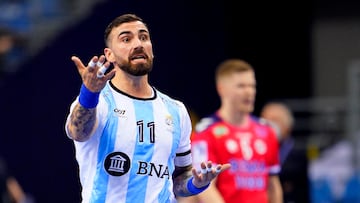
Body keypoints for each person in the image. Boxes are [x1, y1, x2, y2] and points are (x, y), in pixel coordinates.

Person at [64, 13, 230, 203]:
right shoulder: (98, 101)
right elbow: (78, 132)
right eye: (126, 39)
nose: (138, 44)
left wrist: (196, 184)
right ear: (109, 54)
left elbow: (179, 178)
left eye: (144, 37)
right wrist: (89, 93)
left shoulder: (176, 110)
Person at [190, 59, 283, 203]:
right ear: (221, 89)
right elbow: (205, 187)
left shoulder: (266, 131)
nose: (249, 92)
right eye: (241, 86)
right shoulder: (206, 133)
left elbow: (273, 185)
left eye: (252, 86)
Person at [260, 101, 309, 203]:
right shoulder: (256, 148)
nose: (269, 124)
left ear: (288, 126)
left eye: (275, 120)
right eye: (265, 119)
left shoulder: (298, 151)